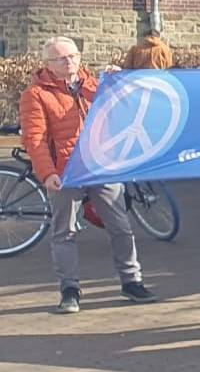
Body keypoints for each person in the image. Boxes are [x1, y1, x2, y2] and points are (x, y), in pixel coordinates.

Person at [27, 38, 150, 314]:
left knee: (121, 226)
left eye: (73, 56)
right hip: (65, 173)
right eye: (61, 58)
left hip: (100, 168)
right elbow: (35, 139)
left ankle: (132, 281)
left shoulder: (95, 85)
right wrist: (47, 173)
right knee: (64, 232)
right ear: (48, 64)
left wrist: (120, 83)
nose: (69, 62)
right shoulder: (35, 94)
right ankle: (70, 290)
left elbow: (128, 113)